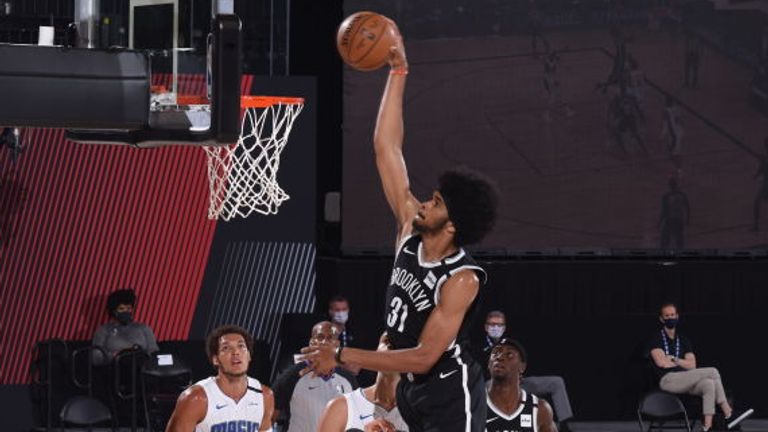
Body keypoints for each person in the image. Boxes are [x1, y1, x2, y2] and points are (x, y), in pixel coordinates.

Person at [301, 22, 499, 432]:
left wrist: (342, 356)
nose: (425, 202)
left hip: (448, 389)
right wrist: (398, 72)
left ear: (454, 224)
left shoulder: (462, 278)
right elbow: (386, 149)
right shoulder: (410, 230)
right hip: (407, 383)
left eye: (438, 202)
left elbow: (426, 355)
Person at [648, 303, 753, 431]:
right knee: (713, 371)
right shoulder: (656, 338)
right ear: (661, 319)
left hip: (685, 379)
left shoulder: (683, 340)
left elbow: (692, 365)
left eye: (673, 315)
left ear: (677, 316)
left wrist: (674, 359)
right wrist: (681, 362)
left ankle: (707, 427)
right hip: (667, 379)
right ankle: (728, 413)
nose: (670, 318)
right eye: (667, 316)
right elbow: (662, 363)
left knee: (708, 384)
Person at [474, 311, 574, 430]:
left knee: (556, 382)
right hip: (489, 384)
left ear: (504, 327)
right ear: (486, 326)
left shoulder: (513, 341)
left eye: (499, 325)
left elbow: (521, 362)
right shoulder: (477, 347)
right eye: (492, 324)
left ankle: (565, 424)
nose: (496, 327)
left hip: (519, 381)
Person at [165, 324, 274, 431]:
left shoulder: (265, 396)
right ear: (215, 359)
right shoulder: (196, 398)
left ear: (249, 355)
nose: (236, 352)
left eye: (241, 346)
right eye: (226, 348)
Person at [273, 321, 359, 432]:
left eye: (330, 338)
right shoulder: (292, 375)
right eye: (320, 337)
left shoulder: (348, 379)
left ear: (337, 344)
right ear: (311, 342)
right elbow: (269, 417)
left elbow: (356, 420)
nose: (325, 342)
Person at [317, 334, 409, 432]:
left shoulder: (422, 411)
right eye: (388, 342)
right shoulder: (341, 407)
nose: (390, 351)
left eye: (400, 346)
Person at [486, 338, 557, 432]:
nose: (499, 357)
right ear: (489, 364)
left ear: (522, 367)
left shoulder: (540, 409)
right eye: (495, 353)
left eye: (509, 355)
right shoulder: (473, 405)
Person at [92, 288, 159, 365]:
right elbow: (96, 357)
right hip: (116, 369)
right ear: (114, 311)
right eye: (121, 309)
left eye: (128, 308)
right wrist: (116, 355)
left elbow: (154, 351)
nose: (126, 311)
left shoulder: (143, 328)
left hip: (141, 367)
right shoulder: (104, 330)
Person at [658, 177, 690, 251]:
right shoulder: (682, 195)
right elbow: (687, 208)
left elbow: (664, 212)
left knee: (665, 241)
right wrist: (687, 219)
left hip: (670, 221)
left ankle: (664, 255)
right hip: (679, 220)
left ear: (669, 186)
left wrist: (659, 223)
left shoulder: (666, 196)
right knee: (679, 241)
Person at [752, 139, 768, 231]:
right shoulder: (763, 157)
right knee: (757, 201)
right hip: (765, 182)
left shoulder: (764, 157)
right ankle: (755, 225)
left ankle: (755, 225)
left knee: (757, 202)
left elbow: (761, 168)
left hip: (766, 184)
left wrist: (756, 176)